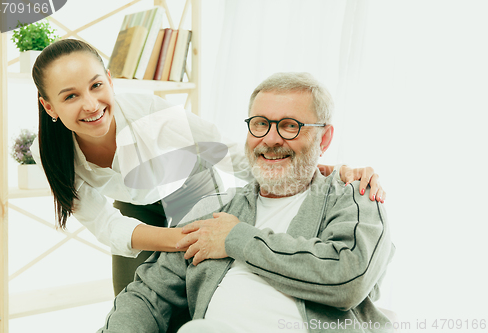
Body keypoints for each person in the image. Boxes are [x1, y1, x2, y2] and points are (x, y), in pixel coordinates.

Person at [30, 38, 386, 296]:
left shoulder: (152, 115)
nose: (91, 104)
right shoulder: (49, 153)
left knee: (200, 283)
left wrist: (318, 169)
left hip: (191, 184)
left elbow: (225, 153)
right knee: (133, 296)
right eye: (71, 96)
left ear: (109, 80)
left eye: (96, 86)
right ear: (49, 108)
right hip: (135, 204)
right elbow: (106, 225)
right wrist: (172, 239)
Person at [97, 72, 395, 333]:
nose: (271, 139)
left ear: (324, 139)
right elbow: (150, 294)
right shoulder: (215, 210)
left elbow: (348, 277)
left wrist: (236, 238)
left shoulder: (354, 196)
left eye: (290, 126)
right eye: (260, 124)